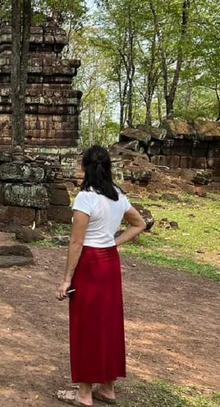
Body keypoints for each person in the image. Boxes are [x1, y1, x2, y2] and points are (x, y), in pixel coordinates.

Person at [55, 145, 147, 406]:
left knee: (87, 325)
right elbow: (139, 224)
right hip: (109, 263)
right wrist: (115, 243)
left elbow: (76, 242)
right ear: (108, 168)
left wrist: (66, 278)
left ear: (83, 167)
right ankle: (107, 388)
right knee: (108, 322)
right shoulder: (118, 195)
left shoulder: (86, 197)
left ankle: (84, 393)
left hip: (90, 263)